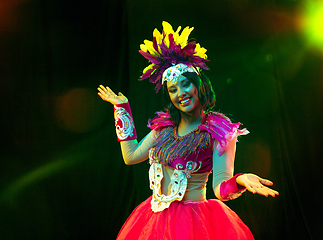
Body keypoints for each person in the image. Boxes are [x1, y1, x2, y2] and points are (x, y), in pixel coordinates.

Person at [97, 21, 279, 240]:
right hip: (152, 222)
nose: (180, 93)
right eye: (173, 89)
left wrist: (240, 180)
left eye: (185, 84)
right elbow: (130, 156)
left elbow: (221, 190)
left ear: (198, 85)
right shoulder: (162, 131)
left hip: (195, 225)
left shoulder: (218, 132)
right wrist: (122, 109)